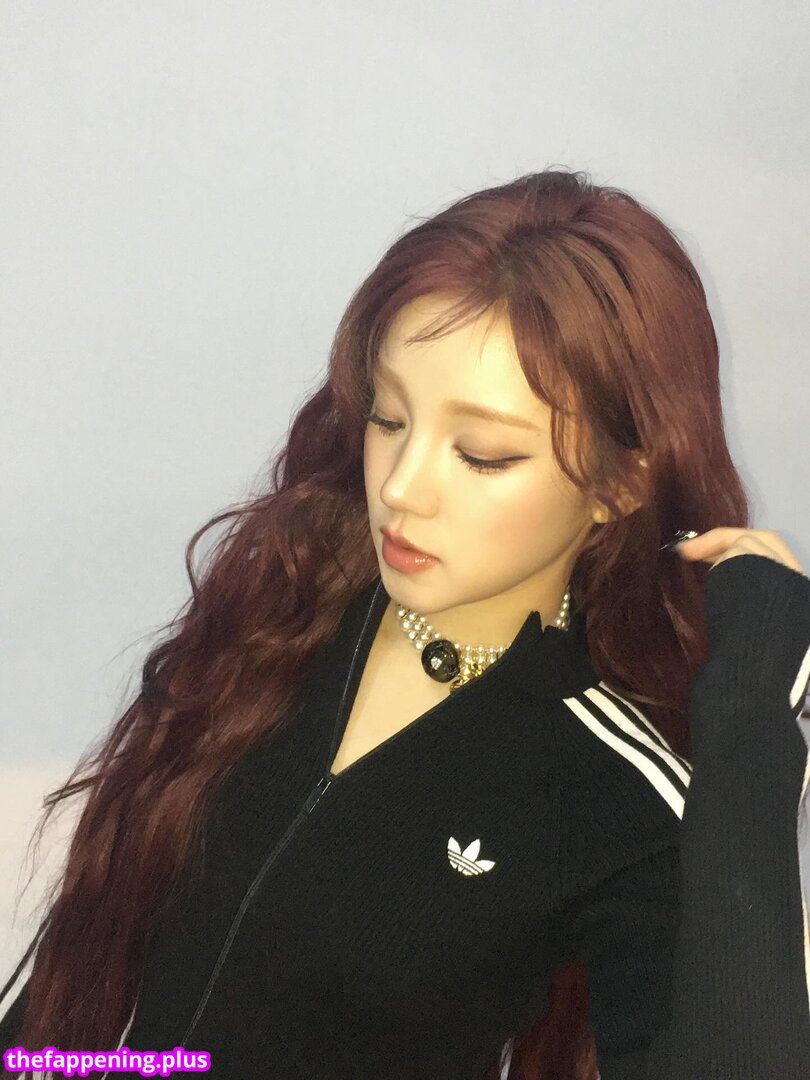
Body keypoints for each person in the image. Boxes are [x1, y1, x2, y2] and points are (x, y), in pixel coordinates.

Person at [1, 168, 809, 1080]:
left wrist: (750, 715)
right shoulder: (291, 608)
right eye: (390, 418)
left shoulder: (611, 791)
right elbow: (87, 967)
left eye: (482, 454)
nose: (401, 487)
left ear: (619, 485)